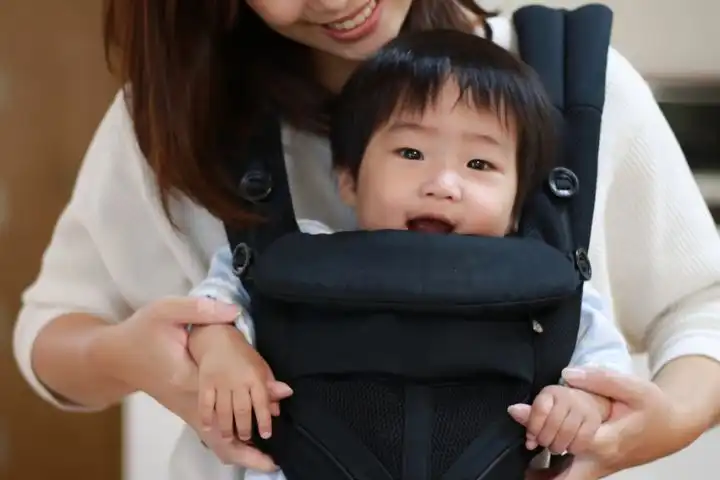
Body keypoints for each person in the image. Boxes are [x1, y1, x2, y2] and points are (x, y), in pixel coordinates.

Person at [12, 1, 720, 479]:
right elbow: (52, 330)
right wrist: (140, 359)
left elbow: (703, 306)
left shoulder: (572, 86)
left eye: (479, 163)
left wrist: (670, 421)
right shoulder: (177, 115)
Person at [185, 29, 634, 480]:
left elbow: (606, 367)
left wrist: (582, 404)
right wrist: (221, 349)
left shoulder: (545, 286)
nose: (442, 184)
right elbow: (209, 311)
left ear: (519, 203)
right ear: (348, 179)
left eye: (479, 164)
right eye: (411, 152)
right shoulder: (296, 258)